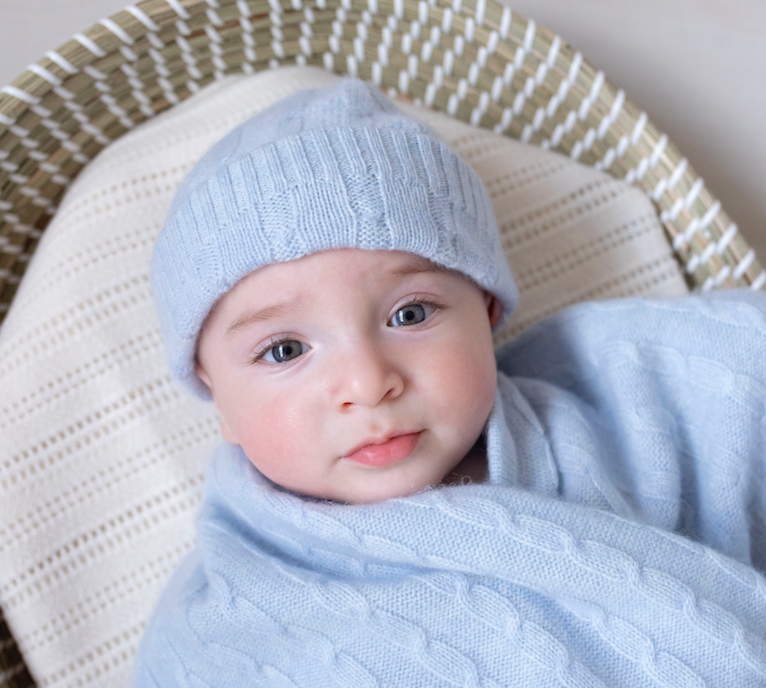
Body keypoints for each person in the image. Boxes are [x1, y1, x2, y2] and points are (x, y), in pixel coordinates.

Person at [135, 78, 766, 686]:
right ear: (217, 398)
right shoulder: (215, 627)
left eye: (409, 314)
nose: (367, 382)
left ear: (486, 311)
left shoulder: (624, 396)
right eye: (285, 349)